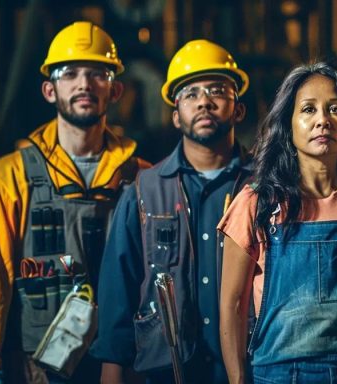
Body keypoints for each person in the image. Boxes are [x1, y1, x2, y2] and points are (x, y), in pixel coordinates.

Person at [0, 21, 149, 383]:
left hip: (120, 366)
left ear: (116, 89)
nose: (84, 84)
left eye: (98, 74)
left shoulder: (143, 178)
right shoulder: (9, 178)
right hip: (34, 368)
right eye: (69, 73)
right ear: (49, 89)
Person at [218, 62, 337, 383]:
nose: (322, 120)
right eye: (308, 110)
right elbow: (232, 304)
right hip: (277, 375)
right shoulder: (256, 204)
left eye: (335, 109)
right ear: (289, 124)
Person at [92, 39, 252, 383]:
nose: (205, 101)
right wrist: (111, 370)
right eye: (191, 94)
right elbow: (119, 286)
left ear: (238, 109)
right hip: (170, 371)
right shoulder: (145, 190)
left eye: (217, 91)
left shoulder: (264, 187)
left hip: (248, 367)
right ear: (176, 116)